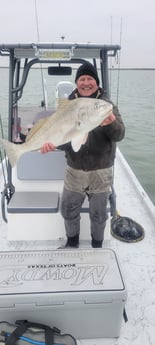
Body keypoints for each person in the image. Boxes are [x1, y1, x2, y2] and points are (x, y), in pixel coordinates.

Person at [41, 61, 125, 248]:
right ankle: (72, 243)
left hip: (101, 172)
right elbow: (64, 139)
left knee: (99, 214)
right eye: (82, 79)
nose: (86, 82)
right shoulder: (68, 106)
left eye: (90, 79)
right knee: (68, 209)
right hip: (74, 171)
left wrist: (110, 123)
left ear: (97, 82)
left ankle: (97, 246)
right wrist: (51, 144)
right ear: (76, 82)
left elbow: (120, 134)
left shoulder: (106, 106)